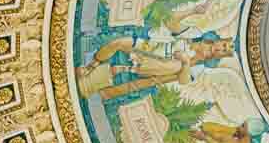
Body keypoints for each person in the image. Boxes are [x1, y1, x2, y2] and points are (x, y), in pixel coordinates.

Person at [76, 30, 234, 101]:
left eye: (224, 51)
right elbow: (174, 26)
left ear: (221, 56)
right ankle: (91, 65)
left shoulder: (200, 67)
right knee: (119, 43)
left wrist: (186, 62)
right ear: (220, 40)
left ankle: (127, 68)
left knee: (176, 67)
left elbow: (184, 81)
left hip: (152, 66)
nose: (221, 49)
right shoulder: (196, 34)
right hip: (150, 47)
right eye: (224, 45)